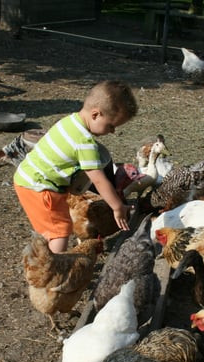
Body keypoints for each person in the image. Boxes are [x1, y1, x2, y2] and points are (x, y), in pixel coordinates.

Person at [13, 80, 138, 253]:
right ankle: (54, 271)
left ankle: (44, 257)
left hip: (29, 178)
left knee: (52, 226)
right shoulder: (85, 143)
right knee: (60, 231)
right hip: (40, 187)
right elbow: (99, 181)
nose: (112, 132)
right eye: (111, 125)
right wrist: (117, 207)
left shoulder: (70, 121)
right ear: (96, 115)